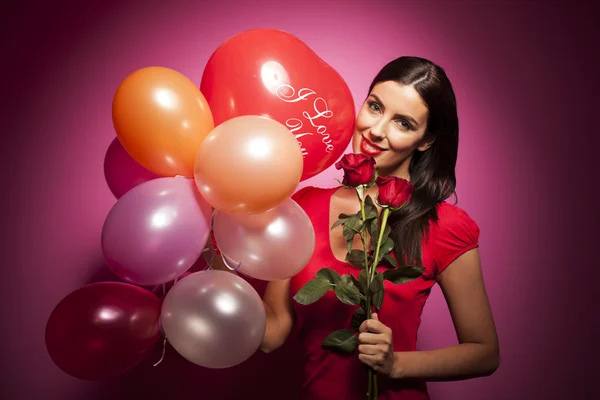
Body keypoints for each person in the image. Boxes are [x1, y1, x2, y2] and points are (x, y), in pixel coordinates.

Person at [213, 56, 499, 399]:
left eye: (403, 123)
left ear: (426, 140)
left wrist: (396, 364)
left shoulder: (445, 226)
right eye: (375, 106)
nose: (376, 130)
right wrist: (219, 248)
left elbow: (485, 352)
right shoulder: (303, 206)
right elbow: (273, 333)